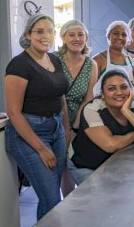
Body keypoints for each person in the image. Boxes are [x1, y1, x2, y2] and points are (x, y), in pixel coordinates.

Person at [5, 14, 70, 220]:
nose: (45, 36)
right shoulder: (19, 65)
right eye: (39, 31)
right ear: (28, 35)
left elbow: (61, 97)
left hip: (56, 128)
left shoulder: (54, 60)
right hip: (29, 133)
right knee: (51, 199)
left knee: (49, 198)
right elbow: (13, 112)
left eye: (50, 31)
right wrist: (41, 148)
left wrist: (65, 129)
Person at [67, 69, 134, 184]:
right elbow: (111, 145)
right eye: (111, 88)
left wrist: (126, 111)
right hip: (88, 167)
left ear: (131, 90)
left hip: (116, 165)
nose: (119, 92)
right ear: (102, 94)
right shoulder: (92, 109)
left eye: (124, 87)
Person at [55, 19, 98, 196]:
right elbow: (57, 95)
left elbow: (88, 97)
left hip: (78, 120)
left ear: (86, 38)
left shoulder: (91, 64)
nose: (77, 38)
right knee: (56, 165)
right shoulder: (53, 60)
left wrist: (74, 127)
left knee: (71, 163)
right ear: (63, 38)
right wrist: (65, 126)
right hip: (55, 118)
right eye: (71, 34)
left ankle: (69, 206)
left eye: (81, 34)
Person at [92, 21, 133, 96]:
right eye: (116, 33)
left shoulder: (132, 59)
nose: (120, 37)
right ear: (108, 36)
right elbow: (91, 89)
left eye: (124, 35)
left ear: (128, 39)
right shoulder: (98, 60)